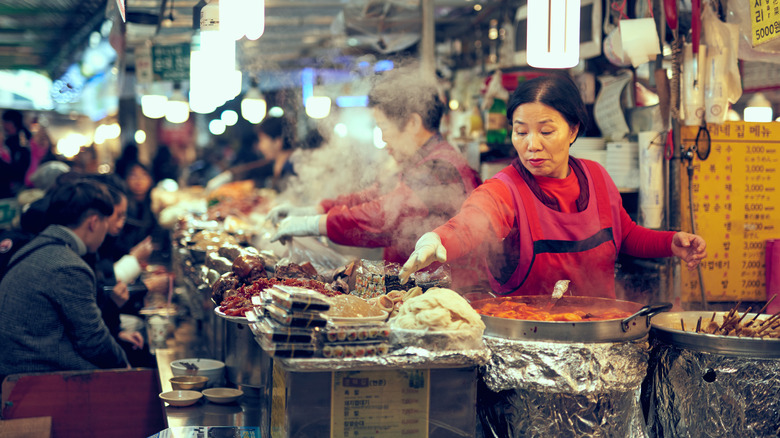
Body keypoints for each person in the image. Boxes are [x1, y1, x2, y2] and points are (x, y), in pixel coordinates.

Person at [398, 73, 707, 298]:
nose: (532, 145)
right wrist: (436, 240)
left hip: (602, 336)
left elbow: (624, 235)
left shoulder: (597, 176)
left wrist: (670, 243)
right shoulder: (505, 189)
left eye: (546, 131)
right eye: (521, 132)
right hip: (531, 348)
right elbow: (470, 223)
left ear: (573, 130)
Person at [269, 64, 483, 288]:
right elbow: (372, 196)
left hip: (448, 295)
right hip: (414, 289)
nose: (382, 139)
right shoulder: (419, 162)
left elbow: (382, 216)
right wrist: (315, 210)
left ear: (412, 123)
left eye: (383, 127)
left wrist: (313, 224)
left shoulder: (441, 168)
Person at [0, 180, 128, 379]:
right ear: (93, 222)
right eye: (106, 221)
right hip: (35, 377)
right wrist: (126, 366)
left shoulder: (35, 246)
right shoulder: (68, 265)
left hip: (16, 370)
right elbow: (94, 342)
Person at [0, 109, 32, 198]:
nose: (3, 125)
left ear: (11, 122)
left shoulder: (22, 140)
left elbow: (19, 169)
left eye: (5, 122)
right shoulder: (12, 138)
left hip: (18, 185)